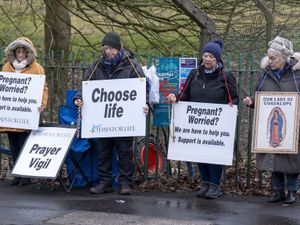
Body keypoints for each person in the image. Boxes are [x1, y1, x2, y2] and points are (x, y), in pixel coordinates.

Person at [74, 32, 148, 195]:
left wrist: (146, 103)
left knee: (124, 151)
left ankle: (124, 183)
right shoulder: (96, 65)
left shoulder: (131, 65)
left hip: (125, 117)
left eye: (111, 48)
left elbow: (143, 88)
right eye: (105, 48)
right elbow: (85, 86)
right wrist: (78, 98)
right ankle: (105, 182)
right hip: (103, 118)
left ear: (118, 47)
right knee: (104, 151)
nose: (108, 51)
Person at [167, 40, 238, 199]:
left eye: (211, 56)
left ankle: (215, 185)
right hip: (196, 122)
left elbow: (233, 99)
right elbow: (184, 94)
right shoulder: (194, 74)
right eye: (205, 55)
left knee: (214, 155)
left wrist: (231, 112)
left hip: (216, 124)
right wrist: (175, 97)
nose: (207, 59)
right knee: (199, 153)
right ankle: (205, 182)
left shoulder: (225, 77)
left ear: (217, 59)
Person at [243, 36, 300, 204]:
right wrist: (252, 102)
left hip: (294, 124)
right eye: (269, 57)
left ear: (284, 57)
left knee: (291, 157)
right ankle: (277, 192)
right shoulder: (266, 74)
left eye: (274, 58)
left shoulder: (297, 75)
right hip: (271, 122)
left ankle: (291, 192)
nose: (270, 61)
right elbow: (259, 95)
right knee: (273, 155)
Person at [0, 37, 48, 186]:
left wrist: (42, 104)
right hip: (11, 115)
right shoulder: (6, 67)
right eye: (18, 51)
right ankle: (18, 175)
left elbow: (43, 88)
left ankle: (26, 176)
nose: (20, 54)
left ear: (28, 53)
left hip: (27, 115)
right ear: (14, 52)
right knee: (13, 145)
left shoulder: (37, 68)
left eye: (23, 51)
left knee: (25, 144)